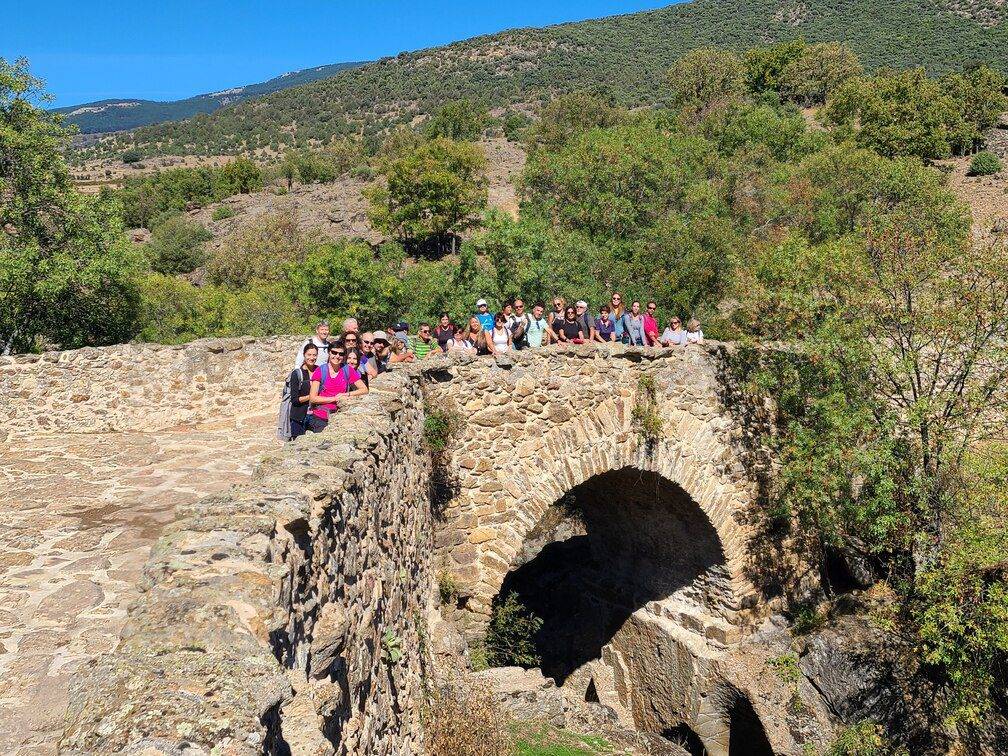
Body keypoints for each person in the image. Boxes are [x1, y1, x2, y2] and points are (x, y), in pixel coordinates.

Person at [308, 344, 367, 429]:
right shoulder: (320, 371)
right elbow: (313, 398)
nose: (337, 356)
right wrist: (335, 399)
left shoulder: (347, 370)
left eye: (341, 354)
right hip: (320, 418)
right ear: (329, 353)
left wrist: (346, 394)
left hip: (340, 416)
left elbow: (364, 389)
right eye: (334, 352)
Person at [288, 343, 319, 439]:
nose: (312, 357)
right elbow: (295, 400)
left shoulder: (319, 370)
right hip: (299, 417)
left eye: (314, 355)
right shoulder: (297, 374)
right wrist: (311, 397)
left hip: (316, 417)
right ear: (304, 355)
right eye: (309, 355)